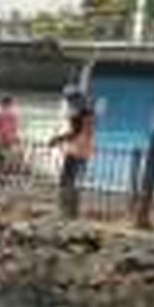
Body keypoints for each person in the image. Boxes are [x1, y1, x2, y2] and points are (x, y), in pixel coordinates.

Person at [49, 87, 95, 218]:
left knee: (66, 179)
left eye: (68, 99)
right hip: (85, 148)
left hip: (76, 149)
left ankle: (64, 210)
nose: (68, 102)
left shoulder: (79, 111)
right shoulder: (88, 110)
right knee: (72, 179)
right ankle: (69, 211)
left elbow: (74, 132)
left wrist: (57, 139)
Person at [0, 94, 21, 176]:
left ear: (4, 103)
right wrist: (16, 137)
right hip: (11, 137)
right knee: (7, 155)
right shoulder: (14, 114)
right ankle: (6, 171)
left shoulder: (1, 113)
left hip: (1, 137)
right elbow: (16, 127)